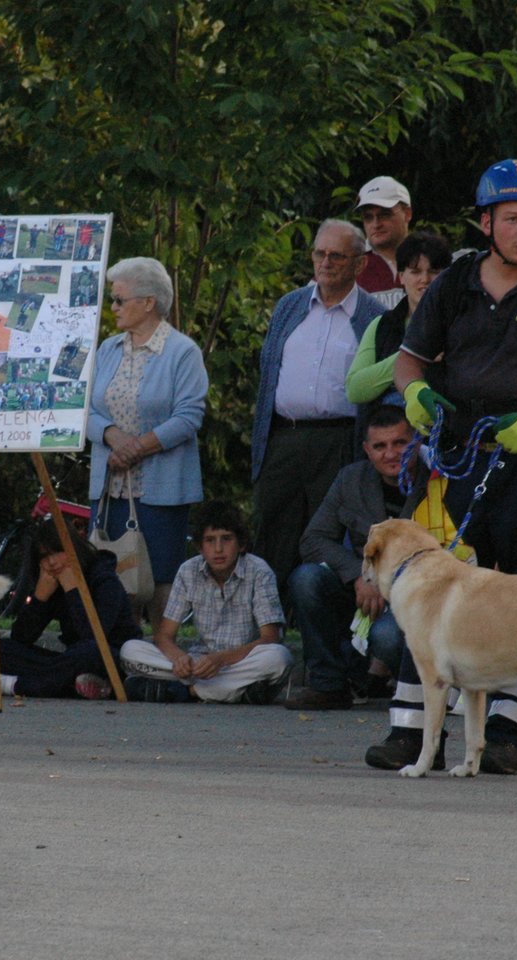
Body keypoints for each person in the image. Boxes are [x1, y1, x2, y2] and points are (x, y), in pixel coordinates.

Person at [364, 158, 517, 774]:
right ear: (485, 224)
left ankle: (511, 735)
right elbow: (409, 362)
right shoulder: (454, 284)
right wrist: (416, 395)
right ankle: (411, 730)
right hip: (464, 454)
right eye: (513, 219)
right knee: (436, 591)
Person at [249, 220, 386, 591]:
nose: (325, 262)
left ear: (359, 264)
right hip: (284, 437)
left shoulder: (373, 317)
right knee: (273, 531)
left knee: (331, 536)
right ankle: (268, 631)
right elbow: (267, 376)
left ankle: (328, 630)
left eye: (337, 255)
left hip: (340, 440)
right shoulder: (289, 307)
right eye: (319, 253)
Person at [87, 257, 208, 627]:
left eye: (120, 300)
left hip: (161, 489)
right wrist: (112, 436)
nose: (113, 308)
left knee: (159, 582)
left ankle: (162, 662)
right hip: (110, 488)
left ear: (148, 302)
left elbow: (188, 417)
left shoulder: (182, 352)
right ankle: (117, 662)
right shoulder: (107, 349)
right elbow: (84, 410)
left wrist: (136, 448)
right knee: (110, 579)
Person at [283, 405, 413, 710]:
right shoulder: (350, 479)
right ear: (367, 450)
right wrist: (360, 574)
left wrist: (382, 582)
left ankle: (417, 688)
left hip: (414, 596)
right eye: (380, 446)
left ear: (416, 442)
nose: (390, 454)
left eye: (399, 443)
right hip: (363, 592)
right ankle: (328, 685)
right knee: (306, 579)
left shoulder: (434, 480)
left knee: (387, 638)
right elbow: (313, 539)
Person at [120, 501, 293, 704]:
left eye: (226, 539)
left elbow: (270, 638)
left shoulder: (259, 572)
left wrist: (221, 660)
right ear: (200, 547)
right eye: (210, 541)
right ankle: (234, 693)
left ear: (241, 543)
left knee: (279, 658)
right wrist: (179, 659)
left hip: (240, 662)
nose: (218, 549)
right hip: (199, 664)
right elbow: (164, 636)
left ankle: (187, 692)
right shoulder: (188, 571)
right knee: (130, 650)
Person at [0, 516, 142, 700]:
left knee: (89, 651)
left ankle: (19, 685)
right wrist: (40, 597)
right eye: (44, 556)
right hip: (71, 661)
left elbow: (92, 636)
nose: (52, 561)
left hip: (110, 657)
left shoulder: (103, 578)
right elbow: (21, 638)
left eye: (58, 551)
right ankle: (76, 687)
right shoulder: (52, 580)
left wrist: (73, 589)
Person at [345, 231, 453, 415]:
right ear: (402, 277)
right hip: (391, 436)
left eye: (434, 271)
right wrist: (413, 355)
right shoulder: (382, 325)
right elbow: (355, 389)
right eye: (415, 271)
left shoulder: (462, 323)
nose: (424, 280)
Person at [354, 175, 414, 307]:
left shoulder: (430, 258)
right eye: (368, 217)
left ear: (407, 213)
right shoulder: (347, 263)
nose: (376, 224)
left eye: (384, 214)